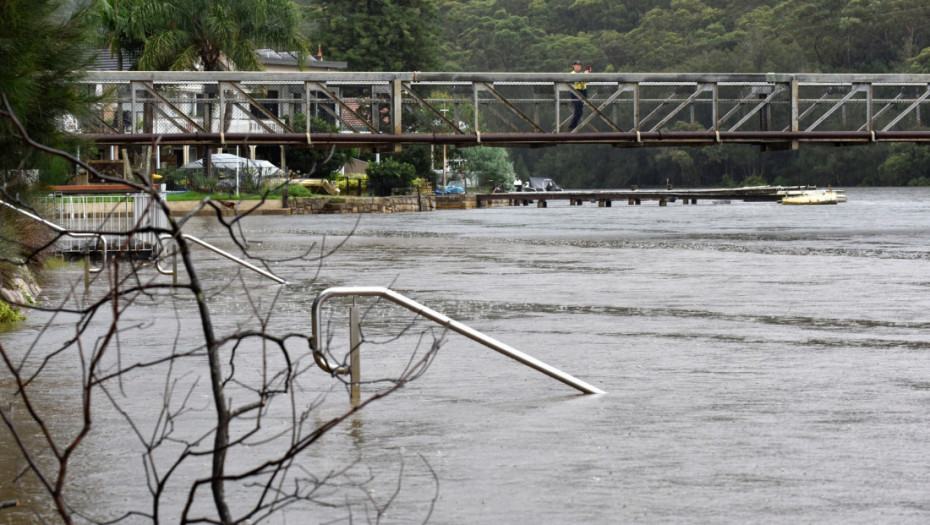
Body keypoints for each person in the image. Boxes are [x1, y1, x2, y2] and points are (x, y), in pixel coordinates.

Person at [569, 60, 590, 130]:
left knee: (580, 111)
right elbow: (577, 79)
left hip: (582, 92)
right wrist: (584, 75)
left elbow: (586, 81)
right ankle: (572, 127)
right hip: (576, 92)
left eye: (580, 65)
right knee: (578, 111)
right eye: (577, 65)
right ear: (573, 66)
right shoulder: (572, 73)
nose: (579, 66)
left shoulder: (580, 74)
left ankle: (573, 127)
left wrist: (587, 75)